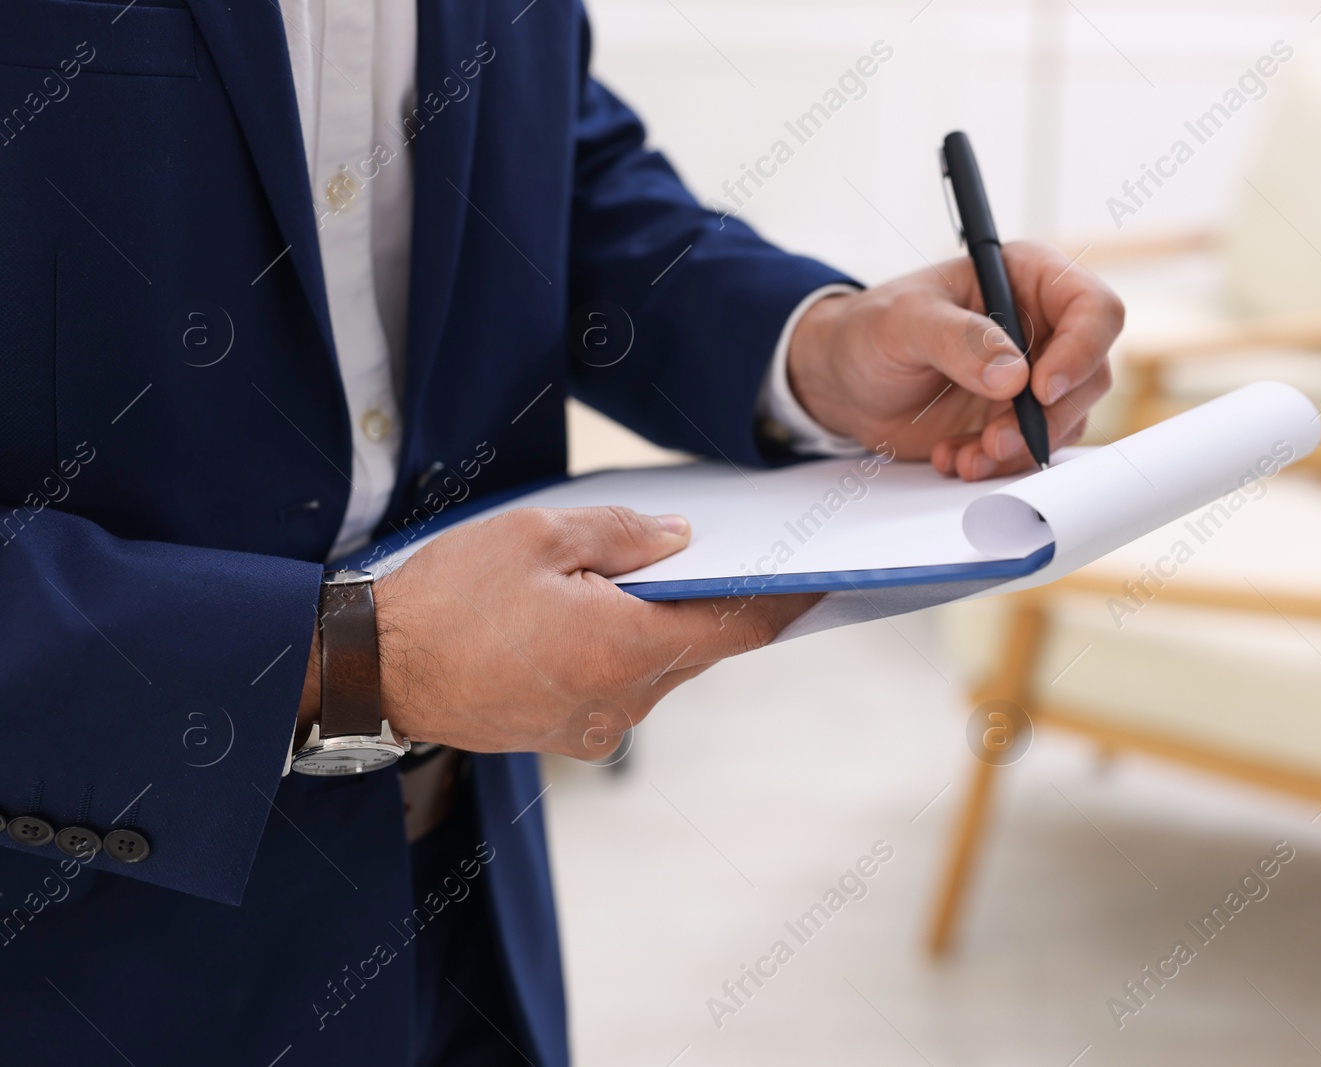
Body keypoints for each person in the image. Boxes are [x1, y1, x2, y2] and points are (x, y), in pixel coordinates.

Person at [0, 1, 1120, 1063]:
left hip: (464, 896)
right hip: (70, 937)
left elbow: (551, 170)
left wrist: (808, 349)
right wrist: (354, 658)